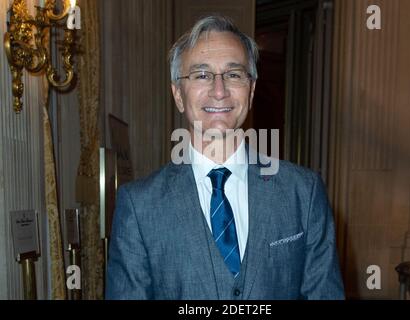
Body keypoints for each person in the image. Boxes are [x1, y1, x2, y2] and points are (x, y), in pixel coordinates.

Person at [106, 15, 344, 300]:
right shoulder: (138, 206)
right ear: (178, 94)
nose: (219, 91)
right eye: (202, 75)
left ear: (252, 90)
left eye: (233, 74)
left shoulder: (303, 193)